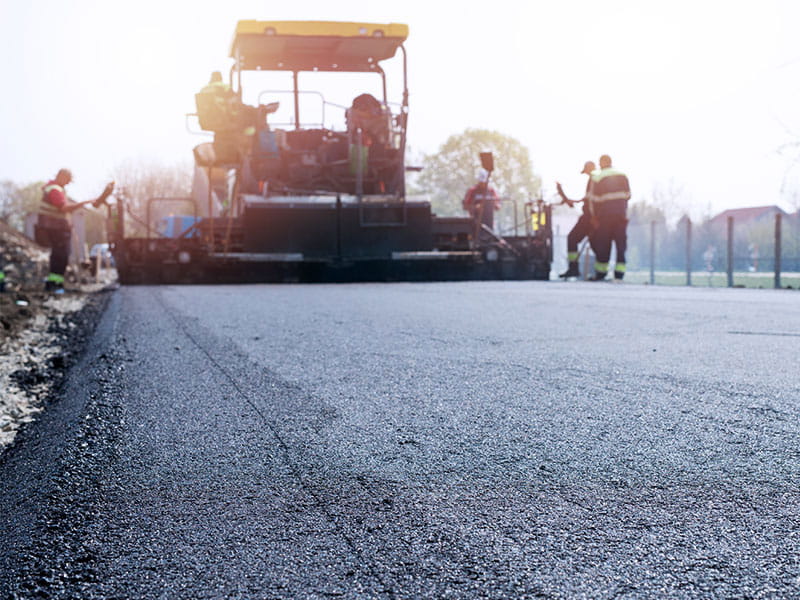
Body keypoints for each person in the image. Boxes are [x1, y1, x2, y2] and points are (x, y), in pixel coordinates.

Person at [37, 169, 114, 293]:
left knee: (59, 255)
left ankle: (55, 283)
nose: (67, 183)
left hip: (56, 227)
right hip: (55, 228)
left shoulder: (52, 188)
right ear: (61, 177)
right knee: (60, 256)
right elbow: (64, 207)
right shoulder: (55, 190)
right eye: (67, 180)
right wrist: (85, 202)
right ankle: (55, 285)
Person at [587, 154, 631, 281]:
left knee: (603, 244)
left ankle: (601, 272)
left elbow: (593, 200)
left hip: (605, 216)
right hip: (621, 216)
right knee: (620, 245)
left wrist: (594, 217)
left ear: (601, 163)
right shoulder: (623, 175)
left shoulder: (597, 177)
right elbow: (628, 195)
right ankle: (619, 274)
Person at [556, 160, 597, 278]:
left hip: (590, 216)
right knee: (592, 242)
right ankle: (575, 268)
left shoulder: (594, 179)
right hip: (591, 216)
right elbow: (589, 198)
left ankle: (574, 268)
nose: (586, 174)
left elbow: (591, 199)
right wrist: (576, 201)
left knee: (573, 238)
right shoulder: (594, 180)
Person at [463, 169, 501, 234]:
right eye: (482, 182)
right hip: (475, 222)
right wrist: (475, 207)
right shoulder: (472, 191)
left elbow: (498, 204)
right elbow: (465, 206)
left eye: (485, 182)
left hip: (489, 223)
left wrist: (495, 205)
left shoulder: (491, 191)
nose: (483, 184)